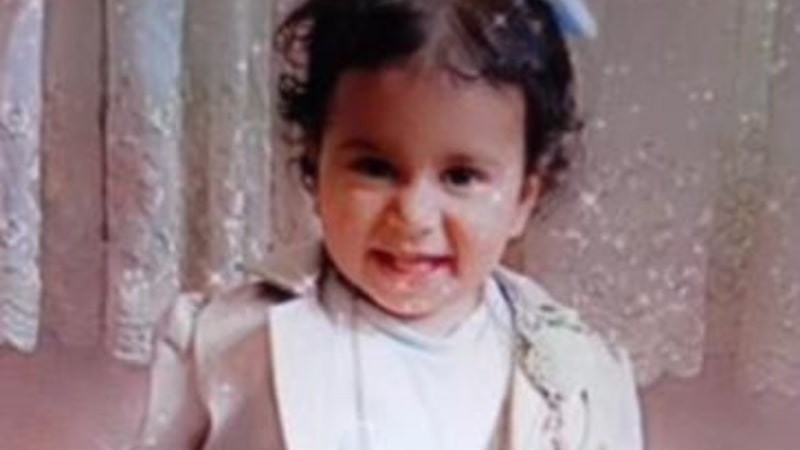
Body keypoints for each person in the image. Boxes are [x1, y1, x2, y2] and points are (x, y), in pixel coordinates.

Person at [134, 0, 642, 449]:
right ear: (315, 163)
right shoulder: (228, 340)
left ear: (524, 198)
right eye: (375, 168)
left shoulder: (579, 375)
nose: (414, 216)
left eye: (460, 177)